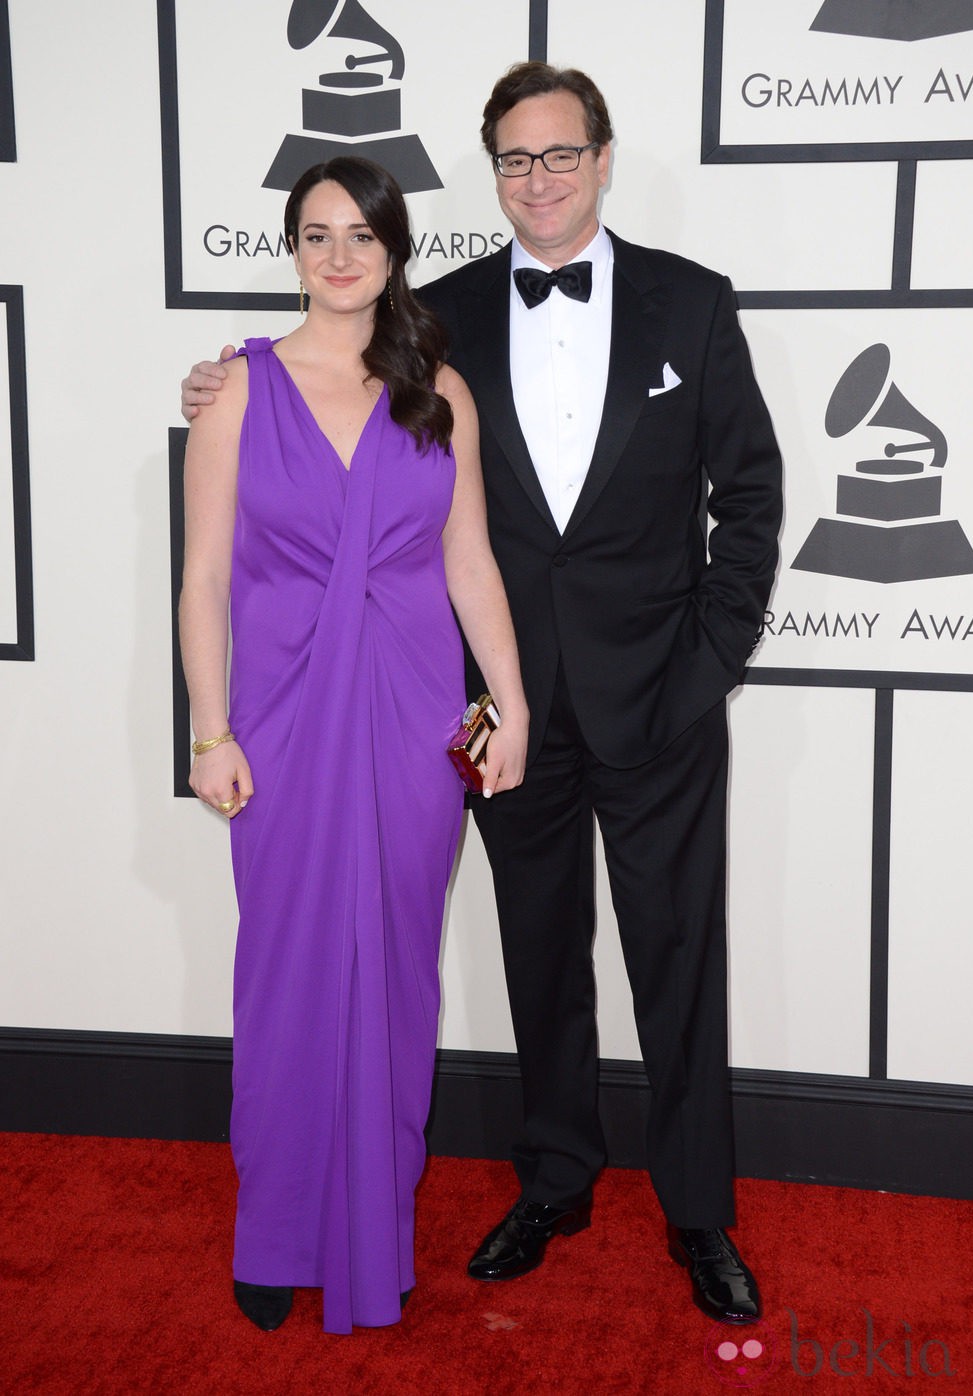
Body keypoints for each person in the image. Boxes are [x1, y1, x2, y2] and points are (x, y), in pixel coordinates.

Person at [181, 62, 782, 1326]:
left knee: (676, 960)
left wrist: (708, 667)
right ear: (492, 174)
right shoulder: (437, 321)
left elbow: (751, 495)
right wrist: (211, 391)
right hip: (495, 718)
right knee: (535, 960)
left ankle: (697, 1212)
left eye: (560, 154)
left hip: (654, 702)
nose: (539, 179)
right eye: (513, 159)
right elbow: (328, 415)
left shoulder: (691, 305)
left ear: (602, 159)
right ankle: (555, 1178)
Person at [178, 155, 528, 1337]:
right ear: (291, 249)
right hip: (274, 727)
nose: (338, 256)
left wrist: (510, 705)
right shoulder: (233, 388)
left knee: (393, 975)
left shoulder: (440, 389)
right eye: (316, 234)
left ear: (391, 249)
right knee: (282, 978)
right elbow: (203, 578)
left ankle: (372, 1232)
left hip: (411, 722)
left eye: (360, 235)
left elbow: (468, 559)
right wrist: (208, 729)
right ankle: (274, 1230)